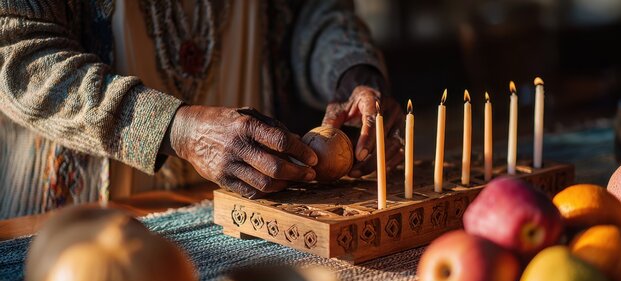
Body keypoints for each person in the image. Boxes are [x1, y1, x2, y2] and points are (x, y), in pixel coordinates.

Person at [0, 0, 403, 220]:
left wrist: (352, 73)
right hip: (79, 227)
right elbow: (15, 53)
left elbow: (312, 11)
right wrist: (175, 128)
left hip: (248, 220)